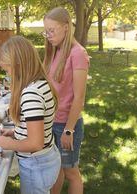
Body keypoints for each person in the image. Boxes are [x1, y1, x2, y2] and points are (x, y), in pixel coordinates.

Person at [0, 35, 61, 194]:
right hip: (46, 158)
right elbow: (36, 126)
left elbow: (35, 143)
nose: (7, 74)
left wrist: (10, 144)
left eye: (7, 69)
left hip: (36, 164)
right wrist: (16, 132)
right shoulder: (41, 82)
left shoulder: (31, 93)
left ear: (19, 64)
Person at [42, 7, 90, 194]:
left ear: (66, 27)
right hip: (51, 122)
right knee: (56, 170)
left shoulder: (78, 53)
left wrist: (69, 130)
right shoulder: (56, 51)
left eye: (52, 30)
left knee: (71, 172)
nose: (48, 35)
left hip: (66, 125)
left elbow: (79, 97)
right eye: (46, 31)